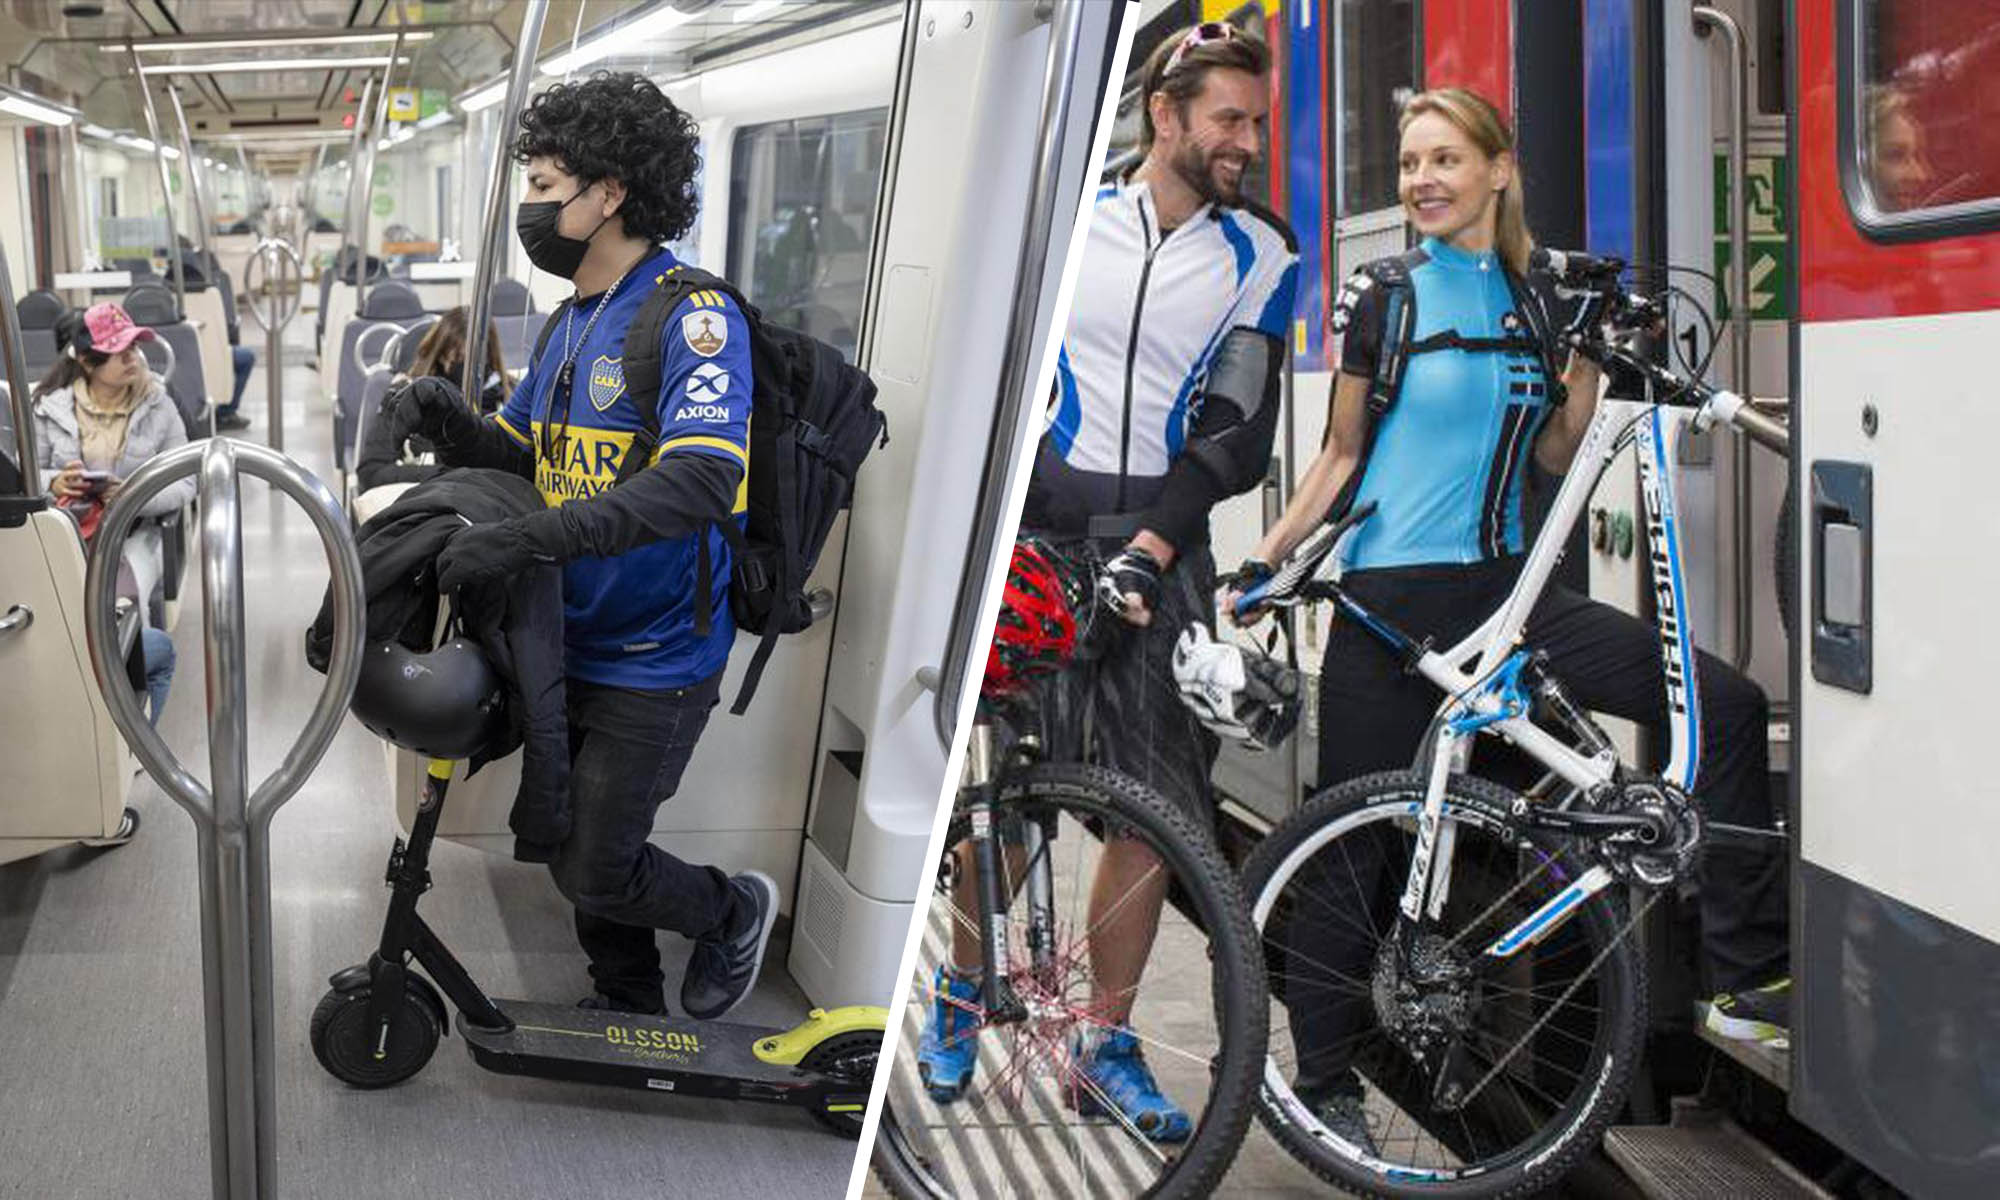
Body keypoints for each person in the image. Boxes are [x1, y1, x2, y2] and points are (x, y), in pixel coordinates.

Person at [1225, 87, 1790, 1149]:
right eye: (1407, 164)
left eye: (1443, 159)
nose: (1421, 181)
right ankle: (1326, 1081)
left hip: (1511, 601)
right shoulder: (1385, 295)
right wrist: (1263, 559)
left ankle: (1743, 979)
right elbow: (1340, 456)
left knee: (1721, 701)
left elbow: (1548, 454)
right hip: (1389, 610)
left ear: (1498, 171)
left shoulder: (1537, 295)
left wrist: (1582, 357)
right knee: (1356, 848)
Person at [916, 23, 1298, 1140]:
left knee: (1155, 808)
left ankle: (1103, 1045)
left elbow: (1235, 433)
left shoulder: (1261, 254)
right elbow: (1003, 378)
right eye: (1228, 119)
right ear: (1165, 115)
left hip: (1162, 551)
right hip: (1039, 545)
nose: (1246, 141)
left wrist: (1152, 549)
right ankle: (959, 997)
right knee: (1013, 792)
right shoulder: (1066, 225)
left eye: (1256, 123)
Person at [397, 71, 777, 1021]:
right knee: (578, 839)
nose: (532, 206)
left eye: (544, 183)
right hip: (569, 633)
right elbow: (527, 448)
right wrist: (456, 424)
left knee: (597, 862)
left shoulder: (691, 316)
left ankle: (730, 909)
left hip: (658, 648)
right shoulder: (573, 322)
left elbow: (696, 478)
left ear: (608, 193)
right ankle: (630, 994)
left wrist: (532, 538)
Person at [32, 302, 194, 725]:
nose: (134, 359)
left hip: (134, 530)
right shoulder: (50, 407)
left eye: (135, 348)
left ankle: (120, 721)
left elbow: (186, 481)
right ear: (87, 361)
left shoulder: (159, 403)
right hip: (65, 527)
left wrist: (134, 496)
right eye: (119, 352)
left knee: (115, 611)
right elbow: (29, 473)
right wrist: (54, 482)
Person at [354, 306, 507, 493]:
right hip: (427, 500)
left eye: (475, 363)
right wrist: (445, 474)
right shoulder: (408, 397)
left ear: (489, 357)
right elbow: (371, 473)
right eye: (457, 360)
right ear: (440, 355)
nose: (465, 373)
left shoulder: (508, 401)